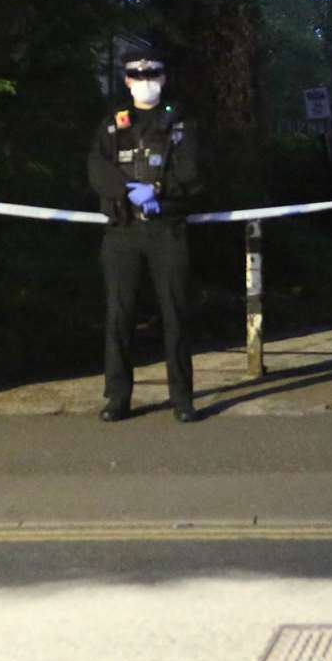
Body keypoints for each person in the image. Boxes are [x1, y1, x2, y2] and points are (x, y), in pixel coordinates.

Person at [87, 47, 204, 423]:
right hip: (123, 230)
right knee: (119, 314)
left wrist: (157, 189)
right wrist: (125, 192)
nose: (145, 81)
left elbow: (192, 172)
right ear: (126, 81)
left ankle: (183, 398)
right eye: (137, 76)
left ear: (164, 78)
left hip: (166, 230)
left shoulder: (181, 124)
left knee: (175, 313)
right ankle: (117, 397)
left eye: (152, 74)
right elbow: (96, 168)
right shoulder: (111, 125)